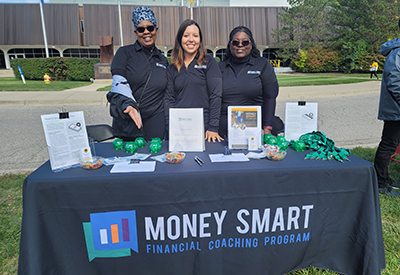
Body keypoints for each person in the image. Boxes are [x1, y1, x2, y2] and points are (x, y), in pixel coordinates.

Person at [107, 6, 168, 141]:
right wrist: (128, 105)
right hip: (129, 119)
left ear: (156, 30)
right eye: (141, 29)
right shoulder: (124, 53)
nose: (146, 32)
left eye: (150, 28)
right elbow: (118, 86)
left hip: (155, 122)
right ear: (136, 32)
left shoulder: (163, 60)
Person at [164, 19, 223, 142]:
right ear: (180, 39)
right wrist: (171, 127)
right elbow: (169, 99)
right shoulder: (172, 67)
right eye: (186, 36)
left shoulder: (209, 63)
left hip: (205, 128)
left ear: (200, 40)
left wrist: (213, 127)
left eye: (195, 36)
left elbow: (215, 96)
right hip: (180, 128)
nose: (191, 40)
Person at [218, 26, 282, 138]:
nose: (240, 45)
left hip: (254, 129)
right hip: (223, 130)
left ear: (251, 45)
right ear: (230, 45)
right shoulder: (219, 67)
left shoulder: (262, 64)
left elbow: (270, 98)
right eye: (235, 42)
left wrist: (267, 128)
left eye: (245, 42)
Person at [373, 19, 400, 197]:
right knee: (388, 145)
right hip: (395, 110)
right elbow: (395, 81)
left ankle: (385, 177)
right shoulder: (397, 53)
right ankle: (380, 183)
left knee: (393, 143)